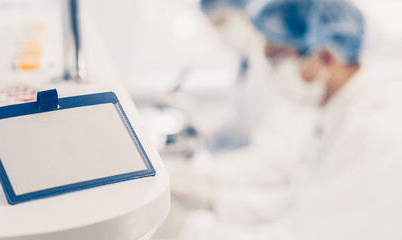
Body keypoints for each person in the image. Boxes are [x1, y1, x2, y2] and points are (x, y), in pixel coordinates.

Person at [171, 0, 402, 239]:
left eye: (277, 61)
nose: (271, 73)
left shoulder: (370, 127)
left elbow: (303, 232)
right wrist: (213, 200)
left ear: (325, 58)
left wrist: (189, 233)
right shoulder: (334, 113)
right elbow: (299, 202)